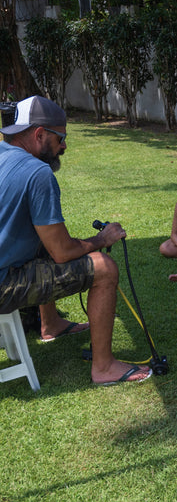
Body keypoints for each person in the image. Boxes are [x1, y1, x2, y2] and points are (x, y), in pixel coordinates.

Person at [0, 95, 151, 386]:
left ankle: (51, 324)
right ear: (39, 134)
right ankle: (104, 367)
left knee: (41, 241)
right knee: (104, 268)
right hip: (3, 284)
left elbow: (47, 239)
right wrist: (100, 239)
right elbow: (62, 252)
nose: (65, 146)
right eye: (61, 138)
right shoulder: (38, 173)